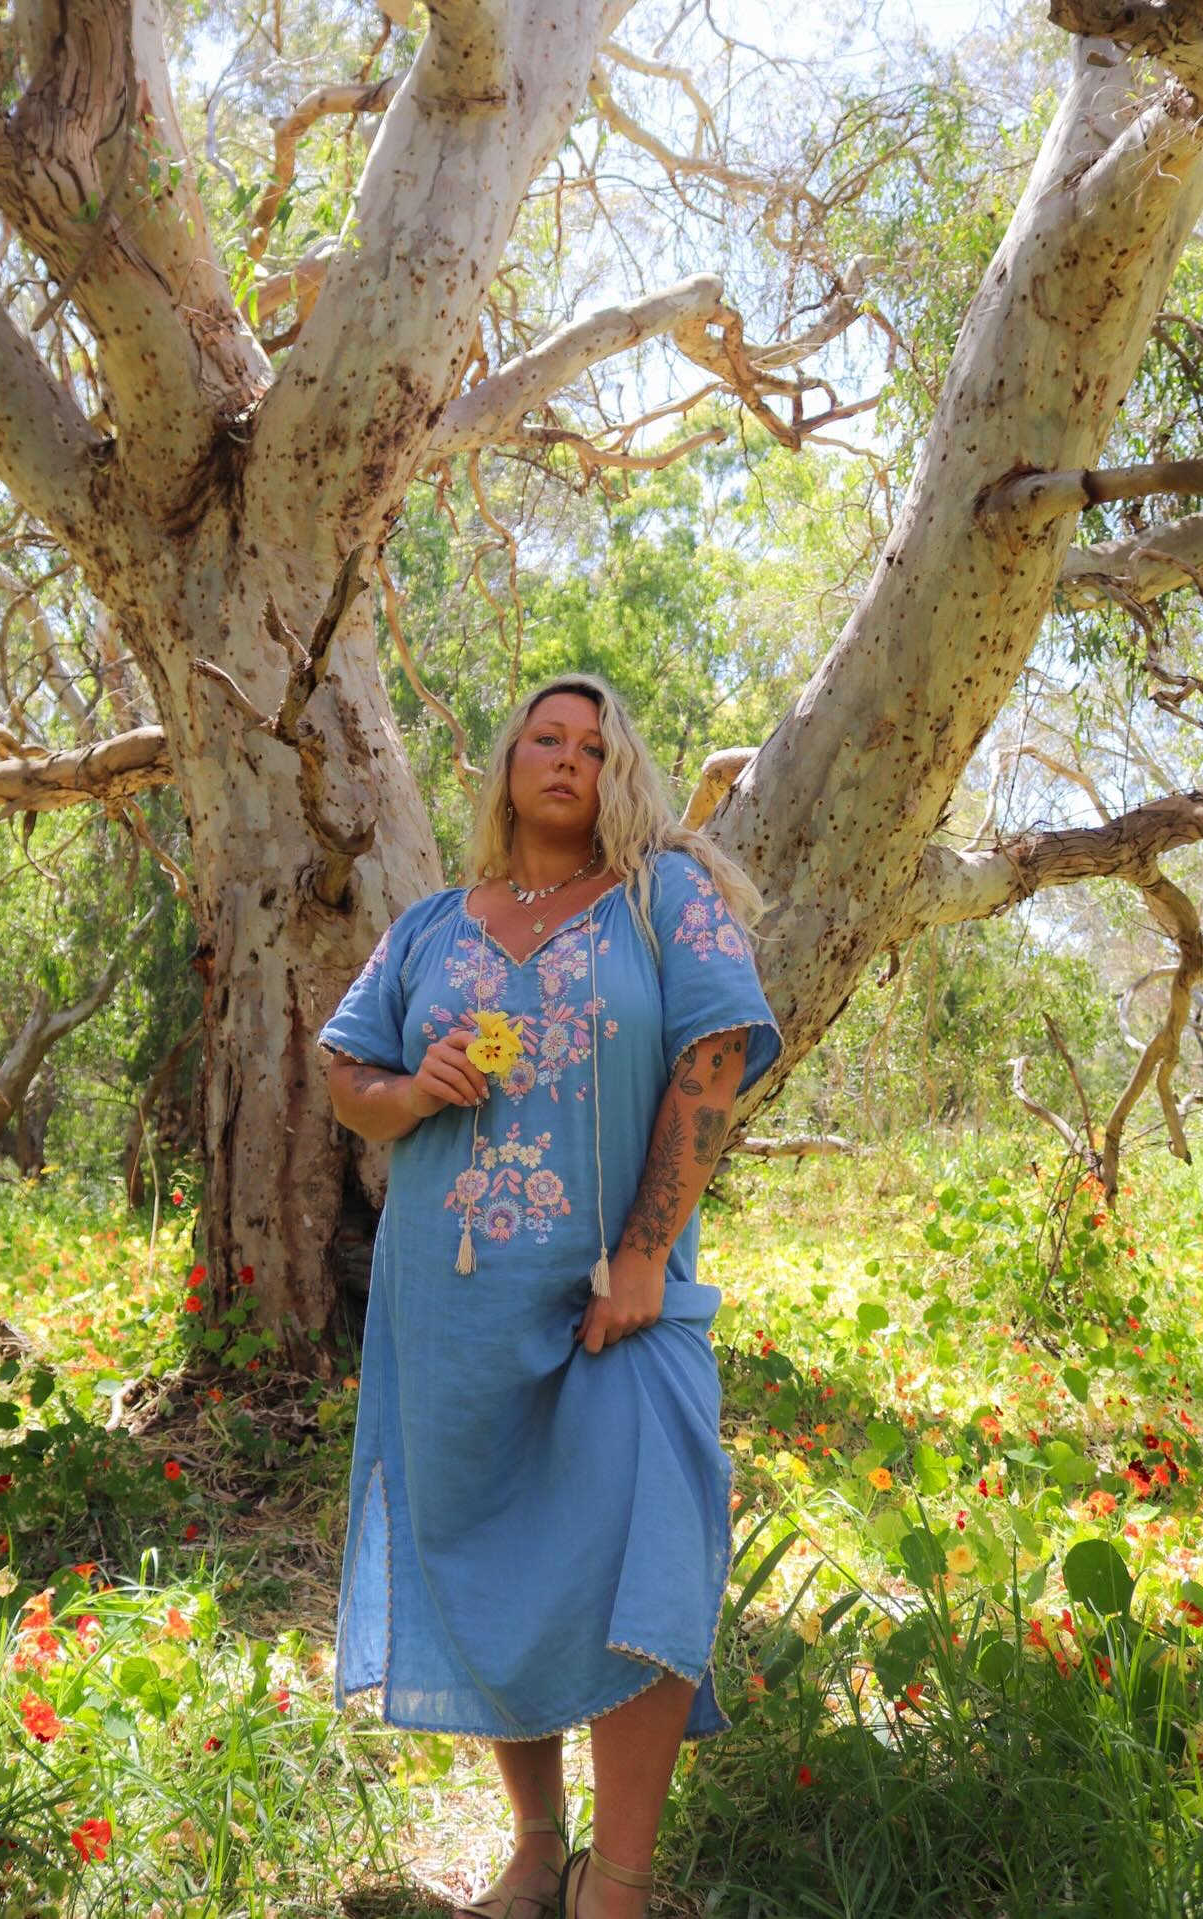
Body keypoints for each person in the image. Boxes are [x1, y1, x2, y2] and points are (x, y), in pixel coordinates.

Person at [318, 674, 782, 1919]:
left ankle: (616, 1884)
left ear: (618, 767)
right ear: (509, 763)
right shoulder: (427, 928)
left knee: (659, 1537)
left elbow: (718, 1048)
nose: (568, 758)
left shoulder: (662, 895)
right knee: (489, 1552)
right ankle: (535, 1848)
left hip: (619, 1299)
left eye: (593, 742)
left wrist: (643, 1252)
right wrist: (415, 1088)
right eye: (545, 737)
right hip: (453, 1308)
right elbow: (343, 1071)